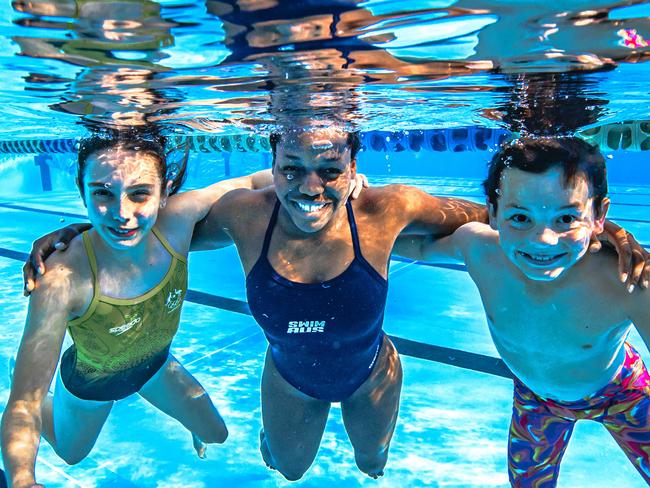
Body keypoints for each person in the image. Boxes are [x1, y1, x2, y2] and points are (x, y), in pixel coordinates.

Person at [22, 128, 646, 482]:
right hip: (289, 377)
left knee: (373, 464)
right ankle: (282, 441)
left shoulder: (386, 209)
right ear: (271, 163)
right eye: (291, 167)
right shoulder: (244, 216)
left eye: (329, 167)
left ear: (353, 167)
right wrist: (80, 235)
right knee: (288, 470)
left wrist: (597, 234)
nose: (309, 184)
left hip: (372, 370)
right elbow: (147, 232)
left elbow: (487, 220)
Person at [1, 127, 277, 488]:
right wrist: (22, 478)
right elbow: (25, 402)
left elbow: (256, 179)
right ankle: (15, 372)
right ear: (82, 194)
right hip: (93, 384)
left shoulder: (177, 221)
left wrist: (346, 186)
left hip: (156, 365)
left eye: (139, 193)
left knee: (216, 434)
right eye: (103, 193)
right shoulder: (61, 279)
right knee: (71, 453)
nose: (122, 214)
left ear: (164, 194)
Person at [394, 137, 650, 485]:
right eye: (520, 217)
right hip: (536, 397)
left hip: (622, 392)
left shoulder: (628, 280)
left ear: (599, 216)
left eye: (566, 218)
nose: (542, 239)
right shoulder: (478, 249)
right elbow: (419, 247)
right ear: (493, 213)